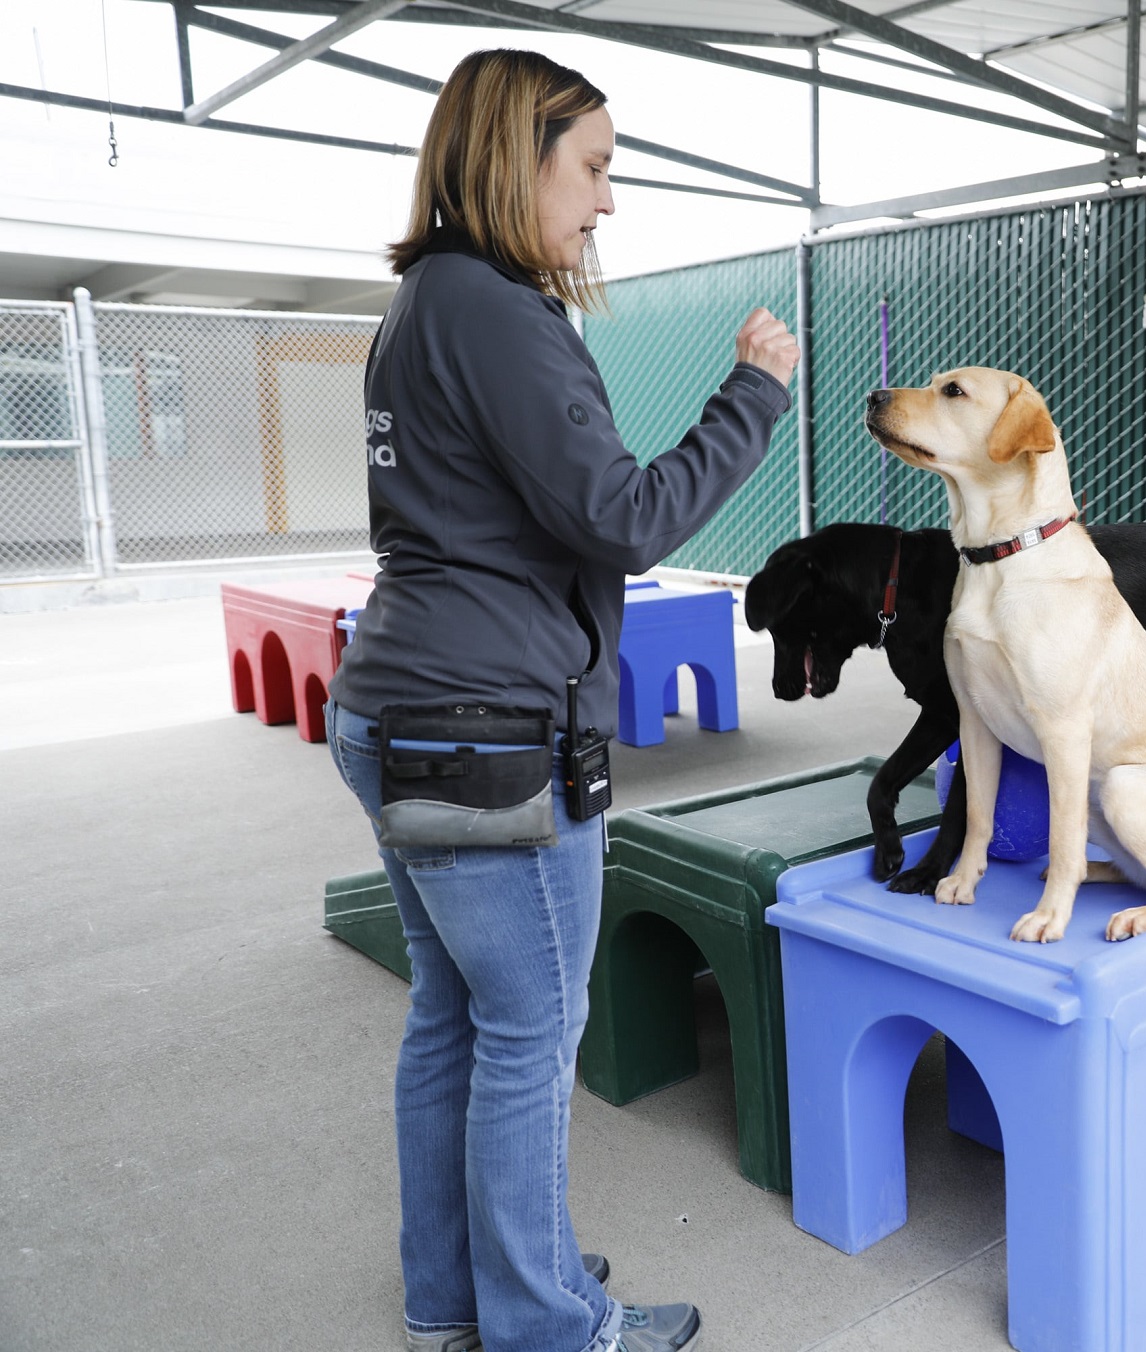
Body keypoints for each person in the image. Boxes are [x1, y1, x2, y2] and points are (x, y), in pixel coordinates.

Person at [326, 48, 797, 1352]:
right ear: (512, 158)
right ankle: (545, 1325)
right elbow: (621, 518)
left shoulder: (421, 304)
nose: (606, 200)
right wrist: (752, 396)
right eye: (591, 168)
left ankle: (460, 1296)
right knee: (532, 1032)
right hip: (483, 728)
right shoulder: (490, 311)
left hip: (402, 705)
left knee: (456, 1019)